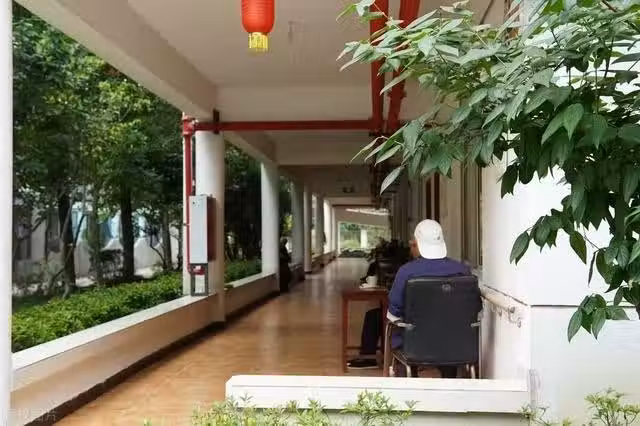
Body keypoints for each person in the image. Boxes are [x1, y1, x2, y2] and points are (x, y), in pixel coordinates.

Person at [347, 220, 471, 378]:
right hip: (456, 345)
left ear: (418, 244)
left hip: (415, 345)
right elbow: (474, 310)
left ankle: (406, 381)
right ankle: (449, 379)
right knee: (445, 338)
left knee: (395, 327)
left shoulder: (407, 272)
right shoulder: (462, 270)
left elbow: (393, 313)